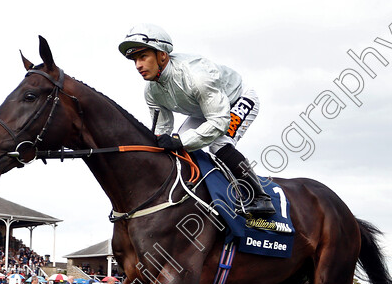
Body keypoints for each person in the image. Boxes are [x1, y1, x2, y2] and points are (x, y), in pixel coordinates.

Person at [118, 24, 275, 217]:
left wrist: (180, 141)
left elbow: (219, 122)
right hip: (204, 110)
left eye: (143, 57)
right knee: (178, 148)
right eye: (134, 60)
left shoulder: (197, 77)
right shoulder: (152, 91)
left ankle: (261, 198)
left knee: (219, 144)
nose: (138, 66)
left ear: (162, 55)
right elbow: (162, 130)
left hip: (237, 99)